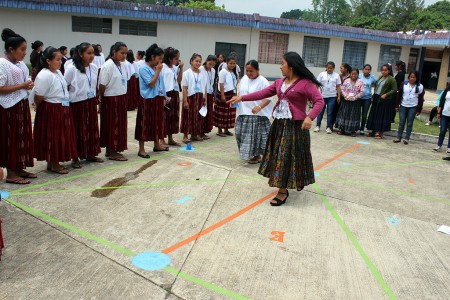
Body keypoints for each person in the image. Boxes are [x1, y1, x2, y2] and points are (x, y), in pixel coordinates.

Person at [228, 52, 324, 206]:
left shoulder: (305, 83)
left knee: (295, 156)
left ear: (291, 67)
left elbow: (319, 101)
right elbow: (263, 93)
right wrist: (242, 97)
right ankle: (282, 189)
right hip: (279, 126)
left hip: (296, 127)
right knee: (281, 156)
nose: (280, 66)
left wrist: (309, 117)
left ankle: (292, 182)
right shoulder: (279, 83)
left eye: (282, 64)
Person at [33, 46, 78, 174]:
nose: (60, 62)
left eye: (60, 59)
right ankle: (53, 162)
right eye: (57, 59)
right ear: (48, 61)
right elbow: (39, 96)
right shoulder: (44, 75)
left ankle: (54, 161)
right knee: (53, 136)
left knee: (60, 135)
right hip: (52, 108)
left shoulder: (57, 72)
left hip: (62, 107)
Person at [0, 28, 36, 184]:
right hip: (9, 107)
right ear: (11, 49)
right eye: (22, 50)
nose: (24, 53)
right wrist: (21, 85)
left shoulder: (20, 64)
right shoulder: (3, 64)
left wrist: (26, 86)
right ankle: (12, 173)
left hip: (21, 104)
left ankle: (20, 167)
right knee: (11, 139)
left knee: (22, 137)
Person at [64, 42, 103, 167]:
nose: (92, 56)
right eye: (89, 53)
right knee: (77, 130)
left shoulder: (94, 68)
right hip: (77, 103)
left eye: (93, 53)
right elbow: (64, 86)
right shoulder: (72, 69)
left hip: (90, 102)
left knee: (91, 128)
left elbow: (95, 85)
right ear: (81, 54)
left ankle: (90, 153)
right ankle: (75, 157)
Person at [234, 60, 272, 164]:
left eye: (251, 71)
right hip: (243, 112)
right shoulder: (244, 79)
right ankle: (251, 155)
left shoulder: (263, 81)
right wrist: (235, 101)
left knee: (254, 137)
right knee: (239, 134)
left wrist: (259, 107)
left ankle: (256, 156)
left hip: (256, 115)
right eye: (247, 71)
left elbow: (269, 98)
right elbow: (241, 93)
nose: (249, 73)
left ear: (257, 70)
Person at [98, 42, 129, 161]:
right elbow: (102, 85)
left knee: (119, 124)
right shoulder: (108, 65)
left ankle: (111, 149)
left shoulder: (121, 65)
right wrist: (102, 99)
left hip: (120, 97)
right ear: (114, 52)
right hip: (111, 98)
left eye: (125, 53)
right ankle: (112, 151)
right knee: (113, 124)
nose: (124, 55)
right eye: (122, 53)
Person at [136, 43, 168, 158]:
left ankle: (156, 144)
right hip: (147, 99)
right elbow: (151, 84)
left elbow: (160, 83)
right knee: (144, 123)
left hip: (157, 98)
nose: (160, 62)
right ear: (152, 57)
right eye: (159, 59)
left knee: (157, 122)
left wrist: (164, 95)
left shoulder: (156, 67)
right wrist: (158, 71)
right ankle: (141, 149)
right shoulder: (143, 68)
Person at [366, 64, 397, 139]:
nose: (383, 72)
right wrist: (374, 96)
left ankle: (380, 133)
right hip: (377, 97)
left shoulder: (391, 79)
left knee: (381, 116)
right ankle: (373, 131)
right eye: (382, 70)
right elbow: (377, 86)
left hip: (384, 99)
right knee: (374, 114)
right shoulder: (380, 77)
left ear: (389, 71)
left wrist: (386, 94)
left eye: (385, 70)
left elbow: (394, 90)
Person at [181, 53, 206, 143]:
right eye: (196, 61)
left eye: (200, 61)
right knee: (188, 116)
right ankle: (185, 136)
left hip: (199, 97)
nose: (198, 63)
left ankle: (194, 134)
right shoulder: (186, 73)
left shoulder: (202, 73)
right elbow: (184, 87)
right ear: (191, 61)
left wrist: (205, 98)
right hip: (190, 97)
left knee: (197, 117)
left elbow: (204, 86)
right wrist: (185, 100)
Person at [394, 71, 424, 145]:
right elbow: (399, 95)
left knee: (410, 123)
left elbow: (421, 99)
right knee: (401, 122)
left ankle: (407, 138)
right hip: (403, 105)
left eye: (414, 77)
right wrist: (397, 106)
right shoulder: (404, 84)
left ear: (417, 78)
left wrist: (419, 109)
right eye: (411, 77)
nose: (412, 78)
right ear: (409, 77)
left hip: (413, 106)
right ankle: (398, 137)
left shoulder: (420, 86)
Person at [161, 47, 183, 146]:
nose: (178, 60)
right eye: (176, 58)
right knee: (165, 117)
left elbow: (178, 81)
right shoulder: (163, 67)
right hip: (167, 93)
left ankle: (170, 138)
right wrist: (163, 96)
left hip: (175, 93)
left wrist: (181, 68)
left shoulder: (174, 68)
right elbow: (161, 83)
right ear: (170, 58)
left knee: (173, 117)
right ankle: (162, 139)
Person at [335, 69, 365, 137]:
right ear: (350, 74)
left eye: (355, 74)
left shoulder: (360, 82)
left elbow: (362, 92)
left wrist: (355, 97)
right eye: (352, 74)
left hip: (355, 102)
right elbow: (342, 89)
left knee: (353, 116)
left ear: (358, 75)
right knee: (344, 114)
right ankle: (342, 129)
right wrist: (346, 96)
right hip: (346, 100)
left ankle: (353, 131)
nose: (354, 75)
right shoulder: (346, 81)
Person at [314, 61, 341, 133]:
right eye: (328, 68)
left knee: (330, 112)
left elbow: (338, 86)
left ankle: (328, 127)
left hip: (332, 96)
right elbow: (317, 84)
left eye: (331, 68)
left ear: (333, 68)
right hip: (322, 96)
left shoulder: (336, 75)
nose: (329, 69)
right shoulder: (321, 74)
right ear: (326, 68)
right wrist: (315, 94)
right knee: (320, 111)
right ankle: (317, 126)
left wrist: (339, 96)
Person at [215, 56, 238, 137]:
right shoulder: (223, 71)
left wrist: (235, 94)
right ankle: (219, 130)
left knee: (229, 113)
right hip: (224, 94)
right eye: (230, 63)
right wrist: (222, 95)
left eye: (234, 63)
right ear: (227, 63)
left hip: (231, 94)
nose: (232, 65)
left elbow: (235, 83)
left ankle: (226, 129)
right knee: (222, 112)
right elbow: (221, 83)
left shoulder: (233, 72)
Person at [199, 55, 217, 140]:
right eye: (209, 63)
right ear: (206, 61)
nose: (211, 66)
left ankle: (205, 131)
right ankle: (199, 131)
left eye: (213, 65)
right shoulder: (201, 69)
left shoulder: (213, 71)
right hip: (202, 93)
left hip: (210, 93)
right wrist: (203, 95)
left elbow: (212, 82)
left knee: (208, 113)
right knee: (202, 112)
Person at [359, 64, 377, 135]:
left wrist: (373, 95)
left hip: (367, 98)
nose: (367, 71)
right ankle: (355, 127)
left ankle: (362, 129)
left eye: (368, 69)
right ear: (363, 69)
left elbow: (376, 85)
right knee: (357, 113)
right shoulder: (359, 76)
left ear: (370, 71)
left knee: (364, 114)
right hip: (358, 97)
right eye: (365, 69)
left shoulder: (372, 78)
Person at [433, 83, 450, 154]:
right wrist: (438, 113)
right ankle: (439, 145)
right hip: (444, 114)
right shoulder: (447, 91)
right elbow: (441, 102)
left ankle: (449, 147)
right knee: (442, 130)